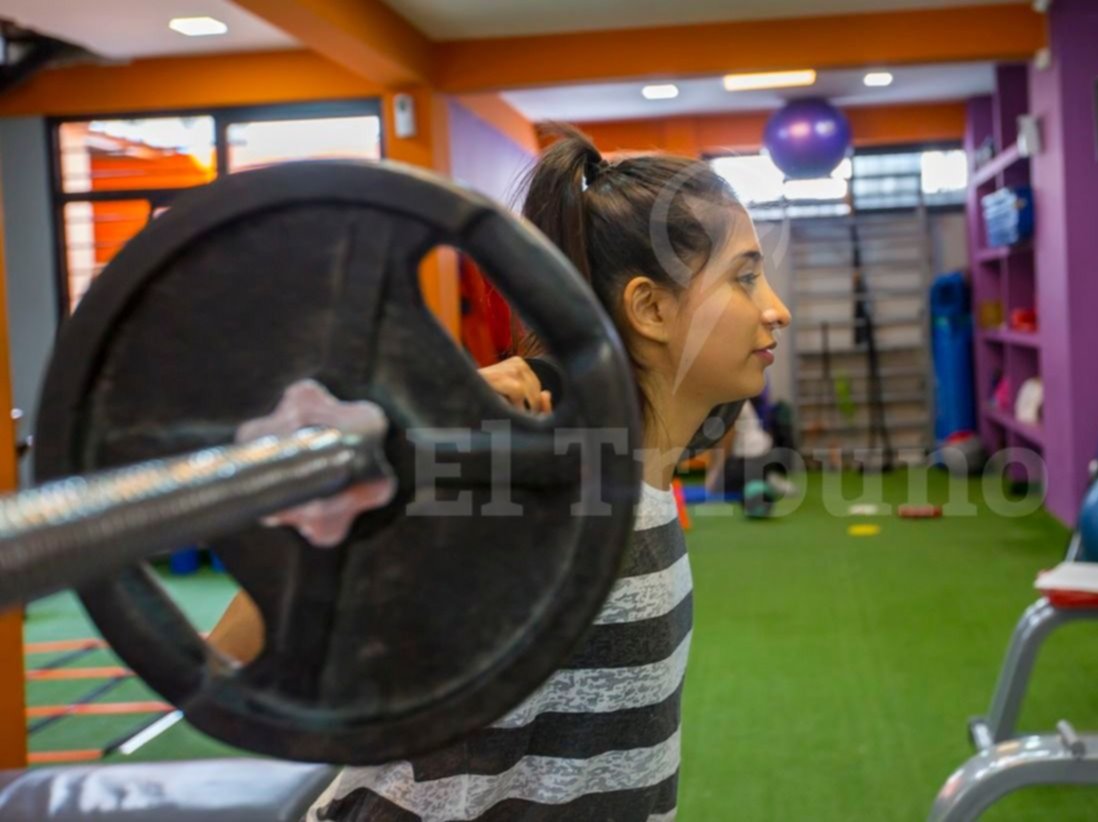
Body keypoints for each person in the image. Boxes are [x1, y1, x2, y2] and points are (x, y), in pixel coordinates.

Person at [206, 123, 791, 821]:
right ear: (651, 308)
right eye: (745, 277)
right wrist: (401, 457)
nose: (775, 308)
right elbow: (234, 657)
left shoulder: (639, 480)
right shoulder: (521, 496)